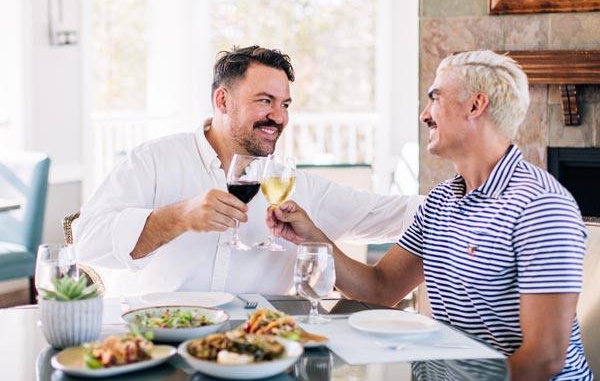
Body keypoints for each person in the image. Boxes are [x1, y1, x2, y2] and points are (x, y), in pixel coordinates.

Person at [268, 50, 591, 381]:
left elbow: (543, 359)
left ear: (475, 106)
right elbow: (380, 289)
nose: (425, 115)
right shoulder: (440, 202)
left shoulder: (541, 207)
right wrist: (313, 237)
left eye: (435, 98)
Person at [74, 45, 423, 297]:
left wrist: (473, 193)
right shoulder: (153, 161)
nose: (279, 116)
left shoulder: (296, 189)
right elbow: (87, 243)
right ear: (223, 101)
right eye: (265, 101)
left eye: (284, 104)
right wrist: (178, 217)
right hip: (154, 345)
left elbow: (397, 213)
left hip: (258, 352)